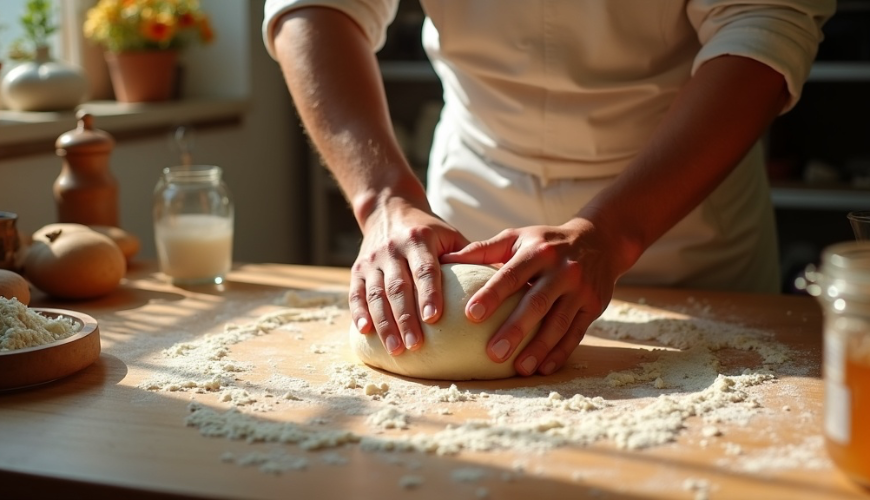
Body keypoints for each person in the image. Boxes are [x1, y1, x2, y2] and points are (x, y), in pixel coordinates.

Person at [263, 0, 836, 376]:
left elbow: (765, 21)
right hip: (470, 223)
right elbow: (316, 8)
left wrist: (612, 234)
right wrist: (384, 197)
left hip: (680, 226)